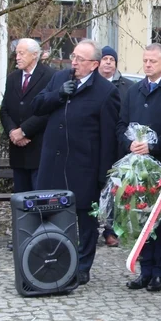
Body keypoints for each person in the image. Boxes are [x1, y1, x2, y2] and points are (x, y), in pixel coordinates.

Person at [33, 39, 120, 286]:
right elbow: (37, 106)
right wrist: (59, 94)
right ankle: (55, 259)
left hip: (84, 166)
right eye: (73, 57)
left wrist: (104, 175)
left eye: (80, 59)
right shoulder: (60, 79)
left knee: (85, 220)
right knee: (52, 215)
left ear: (94, 64)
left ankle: (83, 265)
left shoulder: (106, 92)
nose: (75, 62)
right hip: (53, 162)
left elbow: (108, 138)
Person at [119, 43, 161, 292]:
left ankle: (159, 272)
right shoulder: (134, 91)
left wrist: (154, 148)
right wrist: (129, 143)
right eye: (145, 61)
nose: (147, 65)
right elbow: (121, 124)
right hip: (136, 166)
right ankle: (145, 269)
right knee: (140, 215)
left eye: (152, 61)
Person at [0, 39, 54, 194]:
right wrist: (13, 132)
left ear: (35, 55)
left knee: (39, 198)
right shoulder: (12, 78)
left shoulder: (50, 76)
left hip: (39, 147)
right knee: (20, 198)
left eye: (21, 53)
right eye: (16, 53)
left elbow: (48, 111)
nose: (17, 57)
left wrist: (23, 131)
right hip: (17, 149)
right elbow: (5, 110)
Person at [97, 44, 135, 247]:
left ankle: (111, 230)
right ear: (98, 62)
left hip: (118, 146)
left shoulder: (126, 86)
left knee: (115, 189)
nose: (109, 62)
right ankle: (90, 226)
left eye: (112, 59)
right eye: (105, 59)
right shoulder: (90, 84)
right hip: (93, 145)